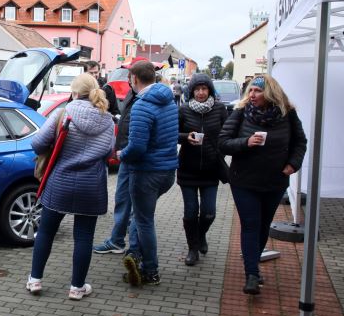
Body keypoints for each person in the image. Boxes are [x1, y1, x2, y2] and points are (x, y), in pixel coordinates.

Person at [28, 73, 115, 300]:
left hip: (60, 182)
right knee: (84, 237)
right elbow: (109, 153)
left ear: (74, 92)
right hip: (91, 185)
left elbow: (37, 144)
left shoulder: (63, 113)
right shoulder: (107, 120)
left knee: (46, 231)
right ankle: (77, 288)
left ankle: (35, 280)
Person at [218, 75, 307, 294]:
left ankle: (253, 262)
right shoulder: (240, 112)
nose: (252, 94)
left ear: (270, 93)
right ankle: (252, 274)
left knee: (263, 224)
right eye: (250, 90)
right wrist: (246, 142)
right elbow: (223, 142)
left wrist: (292, 165)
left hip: (275, 181)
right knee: (251, 224)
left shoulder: (288, 114)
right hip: (244, 181)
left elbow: (300, 142)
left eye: (257, 91)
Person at [118, 61, 178, 286]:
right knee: (140, 215)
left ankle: (150, 270)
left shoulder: (141, 106)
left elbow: (137, 147)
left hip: (146, 172)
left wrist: (121, 154)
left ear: (134, 79)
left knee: (144, 221)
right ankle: (134, 253)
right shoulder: (169, 100)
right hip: (167, 171)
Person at [177, 73, 228, 266]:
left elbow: (227, 134)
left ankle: (200, 235)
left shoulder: (219, 109)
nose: (200, 93)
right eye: (197, 89)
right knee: (190, 213)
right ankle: (193, 249)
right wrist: (185, 137)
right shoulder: (183, 109)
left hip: (211, 169)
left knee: (209, 213)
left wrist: (220, 151)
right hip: (187, 169)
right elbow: (172, 134)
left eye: (204, 89)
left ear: (210, 90)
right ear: (191, 91)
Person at [93, 79, 138, 254]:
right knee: (122, 200)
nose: (128, 81)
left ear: (135, 78)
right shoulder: (131, 95)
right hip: (125, 156)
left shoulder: (143, 99)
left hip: (134, 158)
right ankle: (117, 240)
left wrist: (124, 152)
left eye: (130, 78)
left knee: (138, 209)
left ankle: (135, 251)